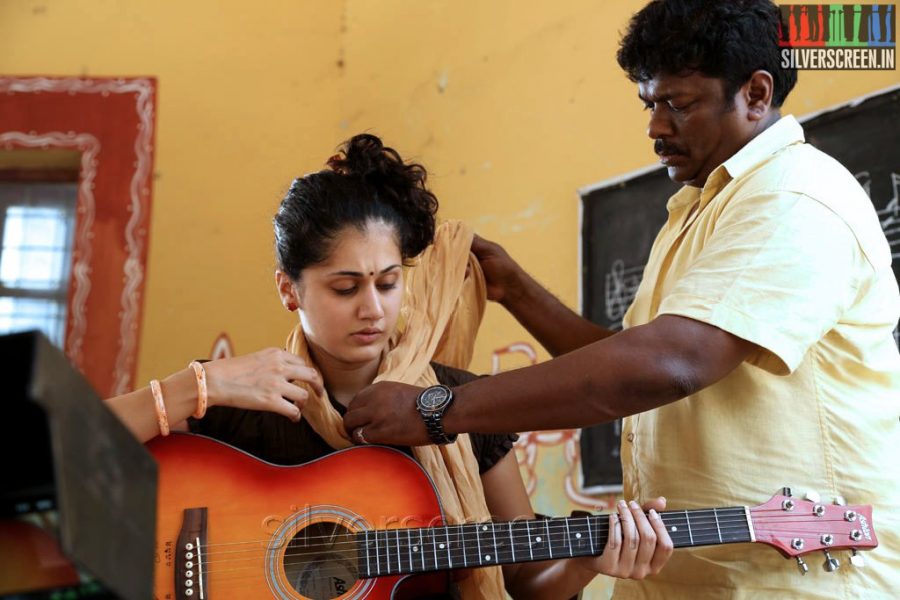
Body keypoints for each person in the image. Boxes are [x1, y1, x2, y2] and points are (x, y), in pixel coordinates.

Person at [343, 1, 900, 598]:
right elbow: (632, 360)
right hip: (684, 579)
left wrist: (436, 409)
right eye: (650, 104)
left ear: (756, 94)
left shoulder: (795, 198)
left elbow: (669, 363)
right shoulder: (699, 211)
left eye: (677, 104)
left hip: (797, 576)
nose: (656, 127)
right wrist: (514, 289)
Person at [105, 133, 673, 599]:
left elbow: (521, 579)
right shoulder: (238, 399)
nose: (373, 308)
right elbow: (64, 447)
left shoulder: (463, 405)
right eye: (345, 287)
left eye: (388, 282)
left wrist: (587, 563)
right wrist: (198, 383)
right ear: (289, 290)